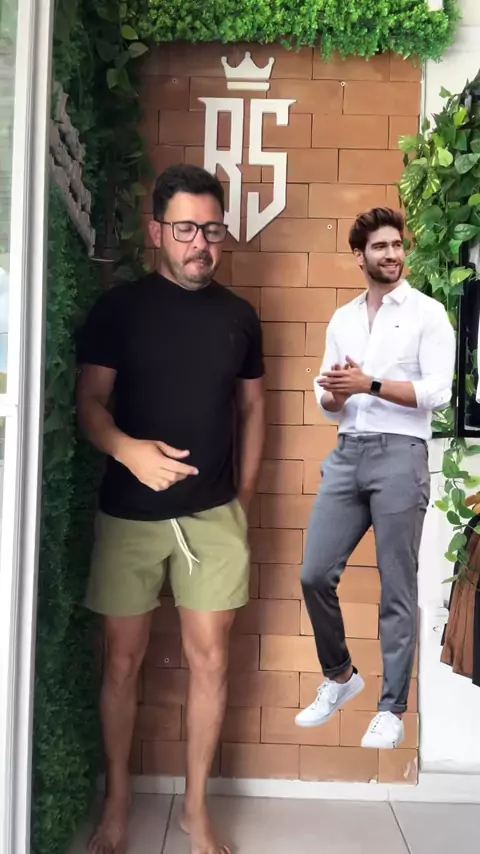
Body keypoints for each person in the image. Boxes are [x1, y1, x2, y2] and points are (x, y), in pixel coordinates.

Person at [76, 164, 265, 854]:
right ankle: (119, 804)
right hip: (128, 513)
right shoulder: (118, 311)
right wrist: (130, 451)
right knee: (122, 663)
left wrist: (241, 497)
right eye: (185, 228)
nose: (200, 244)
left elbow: (254, 407)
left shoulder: (239, 317)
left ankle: (197, 811)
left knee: (210, 662)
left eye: (212, 230)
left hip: (212, 517)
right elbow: (89, 405)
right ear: (156, 231)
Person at [296, 207, 455, 749]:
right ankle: (340, 675)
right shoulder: (343, 318)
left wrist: (370, 384)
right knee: (314, 574)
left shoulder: (427, 313)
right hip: (348, 453)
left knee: (396, 586)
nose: (392, 254)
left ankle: (392, 709)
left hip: (400, 455)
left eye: (397, 245)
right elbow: (327, 401)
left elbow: (439, 392)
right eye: (380, 246)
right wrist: (336, 392)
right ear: (358, 256)